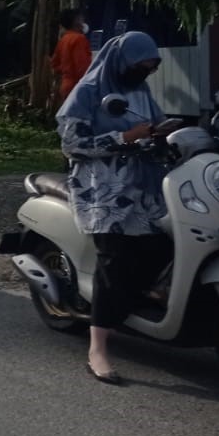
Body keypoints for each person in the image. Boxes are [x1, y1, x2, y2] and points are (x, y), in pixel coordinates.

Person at [57, 30, 169, 384]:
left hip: (143, 186)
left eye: (151, 67)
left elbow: (152, 124)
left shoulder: (140, 90)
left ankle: (136, 302)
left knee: (164, 245)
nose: (146, 72)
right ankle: (98, 350)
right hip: (103, 190)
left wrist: (163, 133)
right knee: (115, 262)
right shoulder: (88, 92)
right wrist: (125, 137)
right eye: (141, 65)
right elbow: (71, 143)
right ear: (123, 60)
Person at [50, 8, 93, 103]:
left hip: (66, 86)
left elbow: (54, 64)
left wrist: (67, 69)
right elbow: (82, 68)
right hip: (78, 87)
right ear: (76, 21)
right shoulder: (79, 39)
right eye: (82, 19)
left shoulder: (64, 40)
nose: (83, 22)